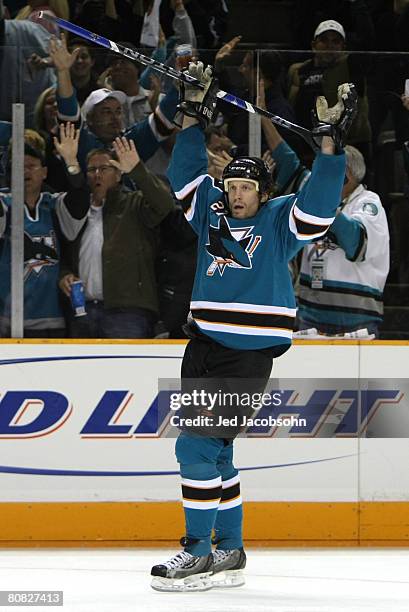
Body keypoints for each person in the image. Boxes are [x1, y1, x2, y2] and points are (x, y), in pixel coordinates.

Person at [150, 62, 356, 592]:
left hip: (246, 354)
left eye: (247, 187)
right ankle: (231, 550)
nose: (238, 194)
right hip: (202, 345)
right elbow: (185, 177)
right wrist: (193, 115)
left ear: (264, 193)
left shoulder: (278, 222)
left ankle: (197, 551)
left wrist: (328, 152)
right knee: (216, 452)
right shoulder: (213, 214)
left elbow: (316, 211)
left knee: (193, 448)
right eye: (233, 185)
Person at [59, 137, 174, 338]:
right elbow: (66, 254)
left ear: (119, 173)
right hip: (82, 309)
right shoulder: (76, 210)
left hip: (128, 311)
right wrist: (65, 274)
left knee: (127, 370)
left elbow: (165, 205)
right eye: (92, 170)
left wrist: (137, 170)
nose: (97, 175)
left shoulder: (135, 204)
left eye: (104, 169)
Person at [0, 122, 89, 337]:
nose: (25, 170)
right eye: (19, 166)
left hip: (54, 321)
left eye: (31, 166)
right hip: (7, 323)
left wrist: (71, 162)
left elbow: (79, 200)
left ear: (45, 172)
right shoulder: (4, 204)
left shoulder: (55, 205)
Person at [49, 33, 178, 171]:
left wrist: (179, 88)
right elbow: (68, 112)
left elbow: (161, 120)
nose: (115, 117)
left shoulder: (129, 142)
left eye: (118, 111)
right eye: (106, 111)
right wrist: (63, 71)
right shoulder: (82, 143)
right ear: (90, 119)